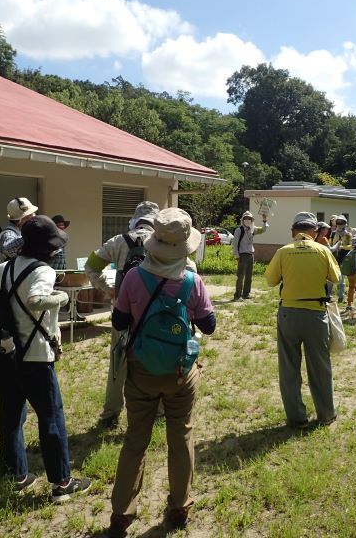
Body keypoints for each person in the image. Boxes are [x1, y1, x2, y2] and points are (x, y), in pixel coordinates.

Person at [0, 216, 91, 502]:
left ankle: (16, 475)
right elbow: (36, 301)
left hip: (8, 354)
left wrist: (2, 299)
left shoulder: (9, 267)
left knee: (11, 417)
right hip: (36, 354)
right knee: (51, 418)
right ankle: (61, 483)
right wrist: (61, 298)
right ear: (48, 249)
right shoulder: (43, 272)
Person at [108, 208, 215, 536]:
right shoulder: (191, 280)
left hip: (140, 369)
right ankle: (179, 506)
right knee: (181, 435)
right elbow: (208, 326)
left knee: (135, 439)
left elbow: (119, 322)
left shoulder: (134, 277)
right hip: (180, 371)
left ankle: (121, 514)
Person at [84, 201, 159, 429]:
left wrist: (107, 289)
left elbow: (90, 265)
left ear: (135, 219)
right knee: (156, 358)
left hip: (122, 311)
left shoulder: (118, 241)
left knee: (118, 362)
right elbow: (187, 269)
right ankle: (159, 411)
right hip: (155, 312)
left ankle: (111, 413)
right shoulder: (162, 240)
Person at [264, 212, 341, 429]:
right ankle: (326, 414)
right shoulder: (323, 250)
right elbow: (336, 278)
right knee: (320, 366)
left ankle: (297, 417)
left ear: (293, 233)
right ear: (314, 233)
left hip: (289, 313)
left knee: (289, 367)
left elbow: (270, 281)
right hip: (316, 314)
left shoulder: (283, 251)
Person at [232, 210, 268, 301]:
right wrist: (236, 255)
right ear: (242, 220)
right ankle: (237, 295)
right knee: (240, 276)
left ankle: (246, 294)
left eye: (249, 218)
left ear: (252, 220)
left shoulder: (253, 229)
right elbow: (234, 244)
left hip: (250, 255)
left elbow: (263, 230)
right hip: (242, 255)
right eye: (246, 218)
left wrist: (264, 220)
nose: (247, 220)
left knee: (249, 276)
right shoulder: (238, 230)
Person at [0, 197, 38, 262]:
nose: (34, 216)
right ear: (22, 218)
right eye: (31, 214)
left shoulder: (20, 231)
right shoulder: (8, 233)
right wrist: (29, 235)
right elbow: (8, 249)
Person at [329, 215, 352, 303]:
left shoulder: (347, 234)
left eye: (341, 222)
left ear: (345, 223)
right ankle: (329, 296)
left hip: (343, 257)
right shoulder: (333, 233)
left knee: (341, 279)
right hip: (334, 256)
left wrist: (341, 246)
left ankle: (341, 296)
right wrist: (333, 247)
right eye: (338, 222)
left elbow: (350, 246)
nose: (339, 224)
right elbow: (330, 243)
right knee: (330, 278)